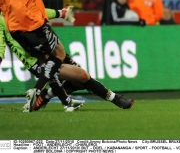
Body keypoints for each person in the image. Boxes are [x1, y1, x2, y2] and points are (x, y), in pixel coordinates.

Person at [0, 7, 135, 112]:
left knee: (79, 80)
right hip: (36, 60)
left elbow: (39, 11)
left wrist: (61, 13)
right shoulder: (2, 19)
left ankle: (46, 95)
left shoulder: (17, 4)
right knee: (82, 76)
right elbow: (1, 44)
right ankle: (116, 99)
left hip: (49, 45)